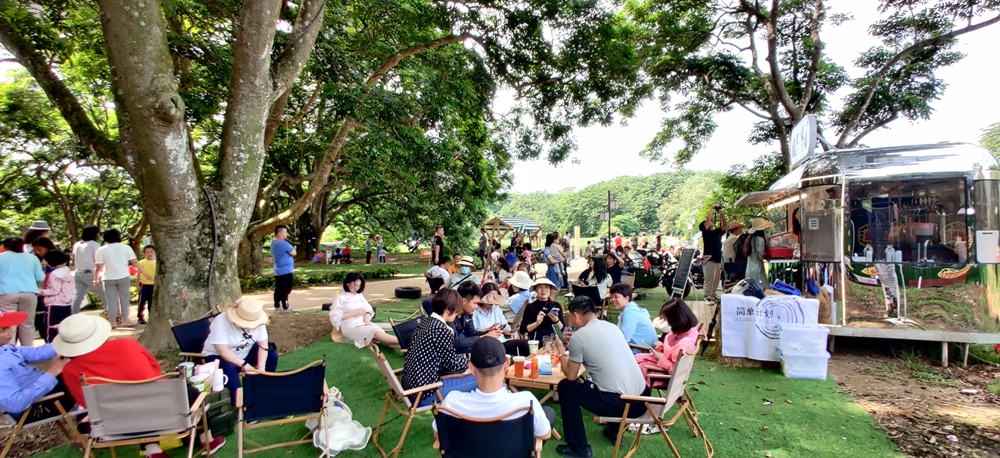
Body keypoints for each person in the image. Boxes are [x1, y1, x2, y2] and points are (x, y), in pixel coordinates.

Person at [54, 314, 226, 457]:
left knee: (132, 406)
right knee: (192, 392)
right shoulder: (127, 344)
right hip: (164, 411)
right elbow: (155, 371)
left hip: (115, 423)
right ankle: (207, 440)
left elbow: (87, 402)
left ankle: (153, 450)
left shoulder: (69, 369)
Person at [552, 296, 649, 458]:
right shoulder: (612, 327)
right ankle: (614, 430)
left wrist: (561, 350)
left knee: (566, 387)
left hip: (624, 406)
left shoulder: (580, 337)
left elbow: (571, 375)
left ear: (575, 315)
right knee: (602, 383)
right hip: (643, 399)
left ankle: (579, 447)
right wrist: (575, 342)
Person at [432, 337, 553, 442]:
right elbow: (545, 434)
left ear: (471, 368)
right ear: (507, 364)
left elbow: (438, 433)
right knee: (549, 413)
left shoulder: (452, 402)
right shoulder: (526, 402)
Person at [401, 289, 479, 407]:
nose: (457, 315)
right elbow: (451, 365)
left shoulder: (425, 323)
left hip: (411, 388)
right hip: (426, 392)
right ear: (447, 310)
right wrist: (472, 359)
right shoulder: (442, 330)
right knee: (484, 379)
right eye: (456, 311)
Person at [0, 309, 74, 424]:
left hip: (42, 396)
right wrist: (52, 372)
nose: (11, 330)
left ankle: (87, 421)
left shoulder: (5, 349)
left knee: (79, 363)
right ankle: (86, 425)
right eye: (4, 329)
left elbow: (37, 353)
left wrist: (69, 339)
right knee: (82, 374)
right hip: (34, 409)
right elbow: (15, 404)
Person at [203, 299, 279, 405]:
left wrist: (261, 370)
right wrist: (245, 365)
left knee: (272, 356)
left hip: (244, 353)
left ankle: (264, 391)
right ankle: (242, 405)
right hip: (219, 356)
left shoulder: (258, 320)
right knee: (228, 368)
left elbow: (264, 346)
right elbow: (222, 351)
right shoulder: (221, 320)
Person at [94, 229, 147, 328]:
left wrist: (96, 279)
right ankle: (125, 321)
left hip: (108, 278)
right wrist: (145, 273)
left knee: (111, 301)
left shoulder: (101, 250)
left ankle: (113, 323)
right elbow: (135, 262)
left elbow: (99, 267)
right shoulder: (126, 248)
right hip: (123, 277)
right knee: (125, 300)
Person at [330, 272, 398, 348]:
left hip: (364, 323)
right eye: (355, 285)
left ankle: (406, 347)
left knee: (382, 335)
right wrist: (354, 313)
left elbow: (368, 307)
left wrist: (368, 314)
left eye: (359, 286)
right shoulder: (340, 298)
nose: (357, 288)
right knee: (377, 334)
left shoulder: (359, 295)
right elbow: (335, 317)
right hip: (351, 327)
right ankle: (405, 340)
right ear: (347, 283)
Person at [635, 299, 699, 379]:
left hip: (659, 375)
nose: (667, 322)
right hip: (656, 367)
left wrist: (660, 357)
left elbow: (676, 371)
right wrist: (662, 347)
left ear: (676, 319)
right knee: (633, 361)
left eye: (667, 319)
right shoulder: (685, 332)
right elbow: (673, 353)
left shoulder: (685, 343)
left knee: (630, 368)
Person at [0, 237, 45, 346]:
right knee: (28, 324)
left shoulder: (1, 257)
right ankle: (28, 349)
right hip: (30, 292)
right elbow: (40, 277)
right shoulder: (32, 258)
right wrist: (34, 287)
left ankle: (9, 350)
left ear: (5, 247)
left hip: (6, 292)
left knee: (9, 324)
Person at [472, 284, 530, 356]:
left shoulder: (496, 308)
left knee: (526, 344)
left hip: (501, 342)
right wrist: (489, 329)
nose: (492, 301)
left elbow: (507, 327)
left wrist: (502, 329)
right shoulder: (474, 311)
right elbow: (473, 332)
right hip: (486, 344)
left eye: (495, 298)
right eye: (489, 297)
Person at [451, 282, 502, 354]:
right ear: (464, 301)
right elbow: (457, 342)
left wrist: (489, 331)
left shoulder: (467, 314)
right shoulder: (450, 315)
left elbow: (472, 333)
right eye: (475, 303)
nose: (476, 307)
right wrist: (485, 336)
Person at [608, 284, 657, 353]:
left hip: (641, 352)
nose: (612, 300)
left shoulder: (630, 313)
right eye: (611, 297)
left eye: (616, 297)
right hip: (643, 349)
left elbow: (624, 339)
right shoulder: (631, 309)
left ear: (627, 298)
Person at [39, 251, 74, 342]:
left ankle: (51, 346)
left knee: (51, 328)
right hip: (67, 303)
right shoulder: (66, 270)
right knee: (64, 326)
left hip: (54, 304)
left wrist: (40, 291)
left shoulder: (54, 274)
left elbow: (54, 290)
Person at [71, 226, 105, 315]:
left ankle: (72, 315)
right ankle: (111, 314)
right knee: (104, 294)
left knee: (77, 297)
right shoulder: (94, 244)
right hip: (90, 272)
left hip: (78, 273)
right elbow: (97, 259)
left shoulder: (77, 244)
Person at [699, 205, 727, 304]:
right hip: (708, 259)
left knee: (716, 279)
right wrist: (711, 208)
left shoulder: (717, 232)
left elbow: (724, 225)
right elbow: (708, 220)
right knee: (709, 278)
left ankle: (713, 295)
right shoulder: (706, 233)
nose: (709, 223)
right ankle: (707, 296)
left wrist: (722, 213)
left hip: (717, 258)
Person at [270, 225, 296, 313]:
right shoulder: (283, 243)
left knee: (279, 288)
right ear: (279, 233)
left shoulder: (273, 243)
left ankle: (277, 306)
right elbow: (293, 252)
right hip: (285, 271)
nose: (286, 234)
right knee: (286, 289)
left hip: (278, 270)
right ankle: (285, 307)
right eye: (285, 232)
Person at [744, 217, 774, 284]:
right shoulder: (760, 239)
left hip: (750, 268)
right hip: (758, 269)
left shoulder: (751, 238)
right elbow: (760, 257)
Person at [137, 245, 156, 325]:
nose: (149, 254)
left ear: (154, 252)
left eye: (151, 252)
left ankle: (151, 317)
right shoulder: (142, 262)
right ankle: (140, 317)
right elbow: (139, 274)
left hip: (153, 285)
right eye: (147, 252)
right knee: (142, 302)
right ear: (144, 253)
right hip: (144, 285)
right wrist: (138, 285)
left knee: (152, 302)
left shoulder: (156, 263)